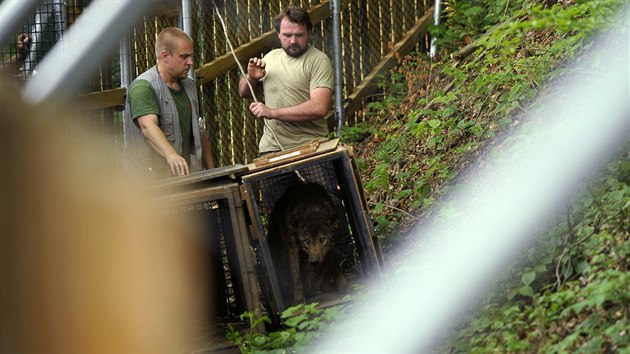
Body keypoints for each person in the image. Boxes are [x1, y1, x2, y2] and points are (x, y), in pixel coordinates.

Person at [238, 6, 334, 154]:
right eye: (287, 35)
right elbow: (243, 92)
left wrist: (273, 113)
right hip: (272, 148)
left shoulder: (318, 60)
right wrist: (251, 77)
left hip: (311, 146)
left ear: (309, 32)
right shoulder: (270, 58)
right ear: (278, 34)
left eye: (299, 35)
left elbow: (320, 107)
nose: (293, 40)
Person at [124, 27, 215, 178]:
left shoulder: (190, 86)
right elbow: (148, 127)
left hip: (184, 177)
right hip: (149, 183)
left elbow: (199, 129)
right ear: (165, 56)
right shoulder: (143, 87)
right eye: (184, 57)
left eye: (191, 56)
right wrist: (171, 155)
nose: (190, 62)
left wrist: (212, 172)